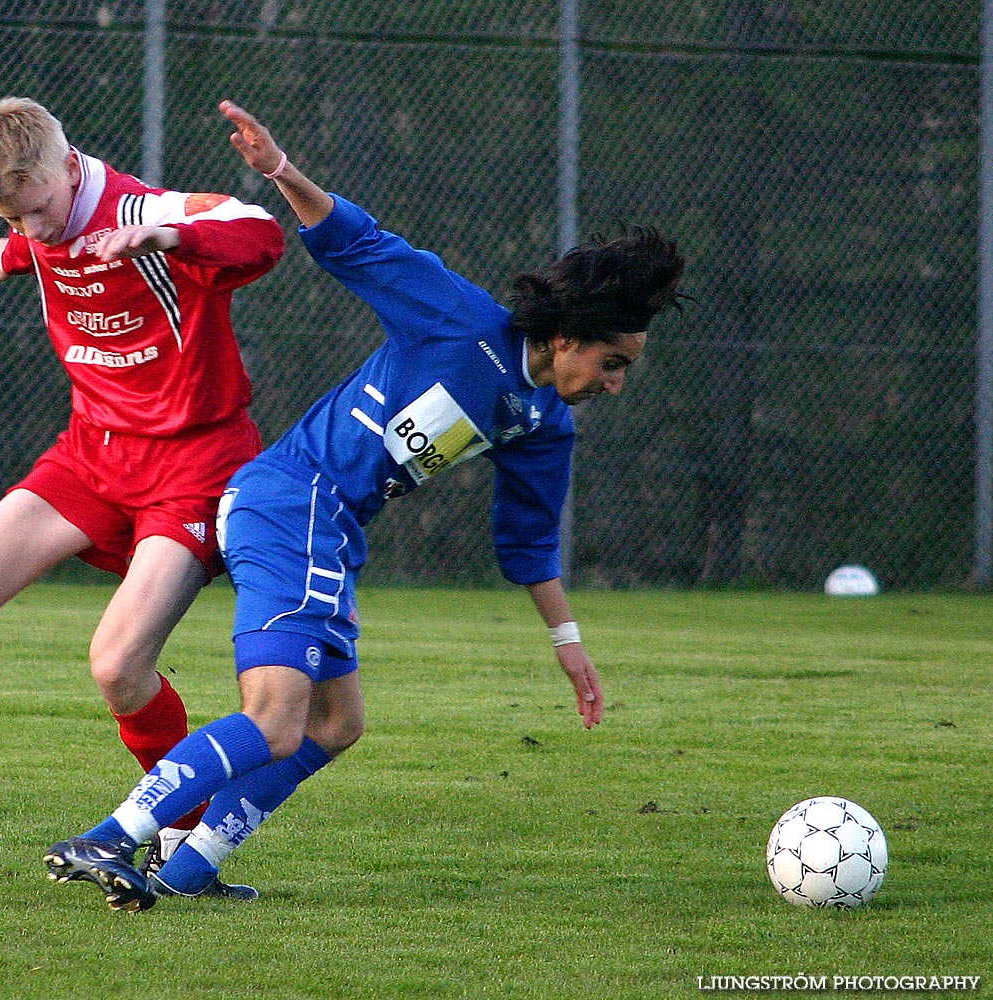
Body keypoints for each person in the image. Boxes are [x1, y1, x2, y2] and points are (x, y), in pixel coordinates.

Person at [40, 100, 686, 911]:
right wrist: (279, 171)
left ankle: (188, 868)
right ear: (569, 336)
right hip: (290, 504)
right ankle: (109, 838)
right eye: (612, 360)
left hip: (329, 531)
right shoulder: (462, 322)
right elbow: (355, 241)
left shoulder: (541, 420)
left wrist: (569, 643)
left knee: (335, 724)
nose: (615, 383)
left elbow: (525, 543)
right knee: (275, 720)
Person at [0, 97, 285, 899]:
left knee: (118, 667)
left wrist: (171, 236)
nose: (36, 228)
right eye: (16, 217)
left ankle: (181, 846)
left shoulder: (141, 209)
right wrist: (14, 251)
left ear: (68, 164)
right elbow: (46, 243)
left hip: (192, 464)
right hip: (90, 455)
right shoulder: (37, 223)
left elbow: (258, 229)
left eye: (39, 209)